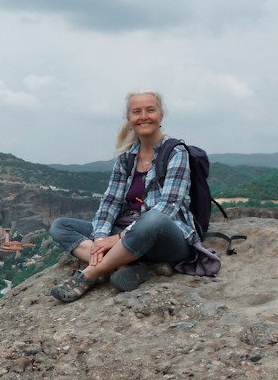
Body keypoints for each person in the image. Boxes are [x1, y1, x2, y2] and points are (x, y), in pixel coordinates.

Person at [48, 91, 207, 302]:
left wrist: (118, 238)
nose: (144, 116)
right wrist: (101, 238)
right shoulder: (127, 158)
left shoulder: (176, 153)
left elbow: (169, 206)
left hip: (167, 238)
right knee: (60, 226)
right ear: (129, 118)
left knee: (153, 218)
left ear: (161, 115)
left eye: (150, 110)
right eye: (137, 111)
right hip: (127, 237)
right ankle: (129, 267)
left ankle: (91, 274)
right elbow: (110, 202)